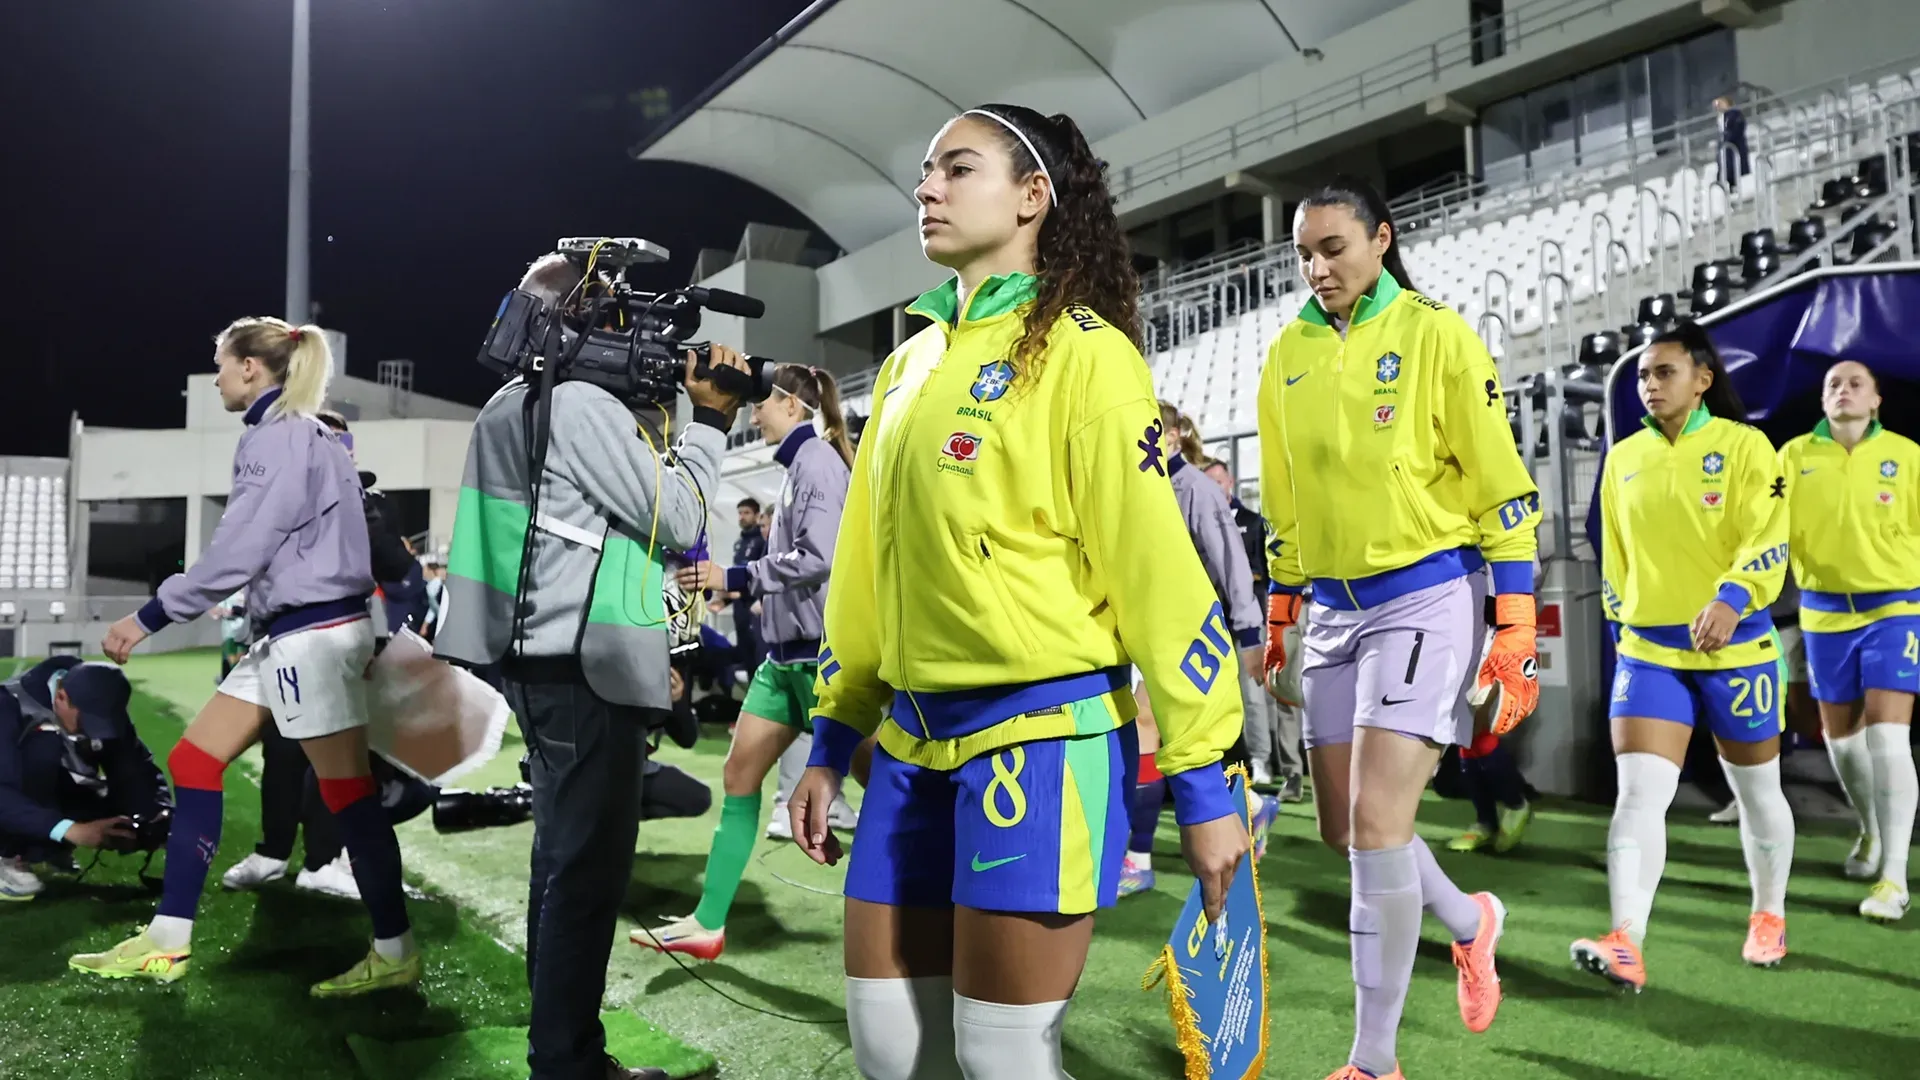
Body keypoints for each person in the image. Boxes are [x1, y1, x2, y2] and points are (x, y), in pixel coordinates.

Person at [784, 104, 1248, 1080]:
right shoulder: (908, 367)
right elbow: (864, 578)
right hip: (906, 751)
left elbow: (1161, 581)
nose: (927, 187)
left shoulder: (1089, 356)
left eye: (957, 169)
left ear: (1034, 196)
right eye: (924, 172)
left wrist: (1204, 783)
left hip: (1039, 746)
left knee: (1003, 1063)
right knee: (888, 1057)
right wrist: (831, 738)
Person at [433, 252, 744, 1080]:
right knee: (584, 877)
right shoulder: (574, 405)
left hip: (536, 659)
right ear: (575, 321)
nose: (622, 327)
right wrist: (711, 422)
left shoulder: (510, 403)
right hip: (584, 665)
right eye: (610, 312)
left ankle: (563, 1052)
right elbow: (677, 518)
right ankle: (567, 1063)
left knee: (559, 864)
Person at [1258, 175, 1540, 1080]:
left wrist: (1516, 620)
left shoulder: (1437, 335)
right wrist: (1280, 611)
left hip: (1427, 594)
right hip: (1333, 611)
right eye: (1303, 252)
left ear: (1381, 239)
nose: (1316, 267)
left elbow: (1500, 484)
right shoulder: (1286, 353)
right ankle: (1471, 920)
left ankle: (1373, 1063)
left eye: (1333, 247)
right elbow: (1285, 500)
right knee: (1345, 829)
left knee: (1379, 825)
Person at [72, 317, 421, 998]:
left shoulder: (281, 436)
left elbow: (240, 549)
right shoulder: (311, 432)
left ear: (252, 369)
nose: (218, 377)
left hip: (310, 636)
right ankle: (167, 940)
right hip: (304, 630)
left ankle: (395, 950)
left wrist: (150, 614)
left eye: (221, 364)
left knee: (348, 795)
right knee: (194, 760)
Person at [1573, 320, 1796, 991]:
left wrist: (1731, 599)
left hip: (1739, 647)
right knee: (1638, 795)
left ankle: (1768, 913)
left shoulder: (1747, 447)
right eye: (1643, 375)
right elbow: (1612, 556)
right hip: (1649, 653)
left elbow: (1769, 534)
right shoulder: (1623, 457)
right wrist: (1622, 630)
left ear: (1702, 378)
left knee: (1757, 793)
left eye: (1664, 372)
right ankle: (1626, 941)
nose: (1650, 385)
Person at [636, 363, 860, 960]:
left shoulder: (816, 461)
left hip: (822, 664)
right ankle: (708, 924)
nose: (752, 412)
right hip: (785, 662)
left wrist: (733, 576)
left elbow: (820, 557)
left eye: (761, 402)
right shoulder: (796, 466)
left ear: (790, 403)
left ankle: (937, 916)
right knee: (738, 778)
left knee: (893, 790)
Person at [1779, 359, 1918, 922]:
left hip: (1895, 609)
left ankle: (1894, 878)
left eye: (1855, 383)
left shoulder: (1907, 456)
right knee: (1842, 742)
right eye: (1833, 384)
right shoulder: (1792, 457)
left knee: (1888, 741)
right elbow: (1766, 529)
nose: (1843, 390)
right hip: (1823, 612)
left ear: (1877, 399)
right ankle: (1869, 829)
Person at [1120, 406, 1273, 899]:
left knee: (1151, 729)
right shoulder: (1141, 484)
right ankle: (1249, 806)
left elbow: (1231, 565)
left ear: (1175, 435)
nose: (1152, 441)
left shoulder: (1199, 492)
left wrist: (1250, 635)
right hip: (1148, 627)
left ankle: (1138, 860)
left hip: (1189, 633)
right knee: (1161, 734)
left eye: (1158, 432)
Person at [0, 658, 170, 901]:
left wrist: (156, 814)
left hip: (40, 794)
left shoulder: (97, 696)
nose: (91, 732)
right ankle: (8, 854)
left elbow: (135, 768)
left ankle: (48, 846)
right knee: (42, 751)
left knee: (123, 794)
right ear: (60, 697)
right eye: (86, 722)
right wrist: (72, 830)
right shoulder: (7, 705)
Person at [1205, 457, 1305, 800]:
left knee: (1258, 694)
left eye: (1219, 481)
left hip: (1254, 618)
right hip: (1215, 619)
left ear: (1230, 482)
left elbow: (1264, 572)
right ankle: (1243, 761)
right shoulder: (1201, 519)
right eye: (1210, 483)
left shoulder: (1252, 522)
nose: (1215, 489)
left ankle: (1265, 760)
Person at [1448, 583, 1537, 854]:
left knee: (1474, 723)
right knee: (1462, 727)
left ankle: (1515, 803)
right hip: (1454, 622)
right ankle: (1485, 821)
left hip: (1495, 624)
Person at [730, 498, 769, 671]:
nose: (742, 517)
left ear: (757, 515)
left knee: (760, 654)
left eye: (746, 513)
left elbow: (763, 574)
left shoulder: (762, 541)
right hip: (740, 607)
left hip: (756, 604)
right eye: (740, 513)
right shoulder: (739, 543)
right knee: (745, 653)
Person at [1714, 95, 1750, 191]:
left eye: (1721, 103)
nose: (1718, 106)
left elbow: (1737, 130)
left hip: (1734, 147)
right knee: (1726, 168)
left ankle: (1734, 187)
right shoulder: (1722, 117)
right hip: (1726, 149)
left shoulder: (1735, 115)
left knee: (1735, 168)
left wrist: (1727, 138)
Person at [212, 589, 248, 684]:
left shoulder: (249, 590)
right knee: (229, 654)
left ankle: (237, 678)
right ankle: (227, 677)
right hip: (229, 629)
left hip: (245, 629)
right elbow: (215, 612)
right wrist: (225, 611)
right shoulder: (227, 593)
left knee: (242, 655)